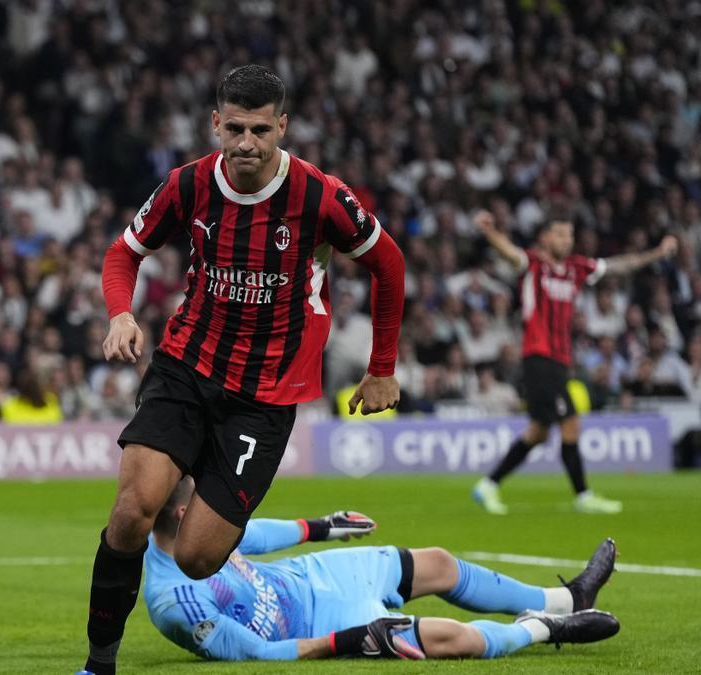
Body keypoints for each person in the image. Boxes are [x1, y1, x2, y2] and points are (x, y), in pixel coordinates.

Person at [79, 64, 407, 675]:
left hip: (267, 392)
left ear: (283, 126)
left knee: (198, 558)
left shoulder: (320, 196)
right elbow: (124, 252)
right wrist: (120, 314)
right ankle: (99, 665)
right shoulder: (188, 185)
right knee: (129, 515)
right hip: (187, 364)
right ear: (215, 124)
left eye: (260, 129)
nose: (247, 143)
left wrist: (381, 366)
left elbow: (389, 264)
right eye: (234, 129)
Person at [144, 478, 619, 663]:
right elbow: (254, 655)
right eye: (202, 496)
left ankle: (567, 599)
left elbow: (253, 533)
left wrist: (318, 527)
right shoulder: (177, 603)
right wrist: (349, 641)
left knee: (437, 563)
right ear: (187, 516)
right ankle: (545, 629)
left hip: (311, 577)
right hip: (322, 625)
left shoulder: (201, 530)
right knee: (458, 639)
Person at [471, 211, 678, 514]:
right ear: (545, 238)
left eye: (569, 235)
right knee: (570, 422)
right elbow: (510, 253)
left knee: (538, 432)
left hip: (559, 359)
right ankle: (583, 495)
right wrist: (490, 231)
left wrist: (657, 253)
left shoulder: (577, 268)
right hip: (538, 357)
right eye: (559, 234)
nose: (566, 240)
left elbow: (621, 265)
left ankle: (487, 485)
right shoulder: (533, 265)